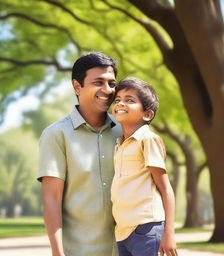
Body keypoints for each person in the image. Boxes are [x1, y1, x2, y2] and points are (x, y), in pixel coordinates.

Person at [37, 51, 122, 256]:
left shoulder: (125, 131)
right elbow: (52, 199)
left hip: (125, 250)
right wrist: (58, 253)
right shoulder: (56, 134)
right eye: (98, 82)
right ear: (77, 86)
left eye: (111, 83)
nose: (107, 90)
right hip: (79, 251)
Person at [111, 77, 178, 256]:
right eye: (117, 100)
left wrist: (169, 234)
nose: (120, 104)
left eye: (129, 100)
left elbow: (166, 189)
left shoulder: (147, 139)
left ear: (147, 114)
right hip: (123, 232)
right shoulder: (120, 144)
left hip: (147, 228)